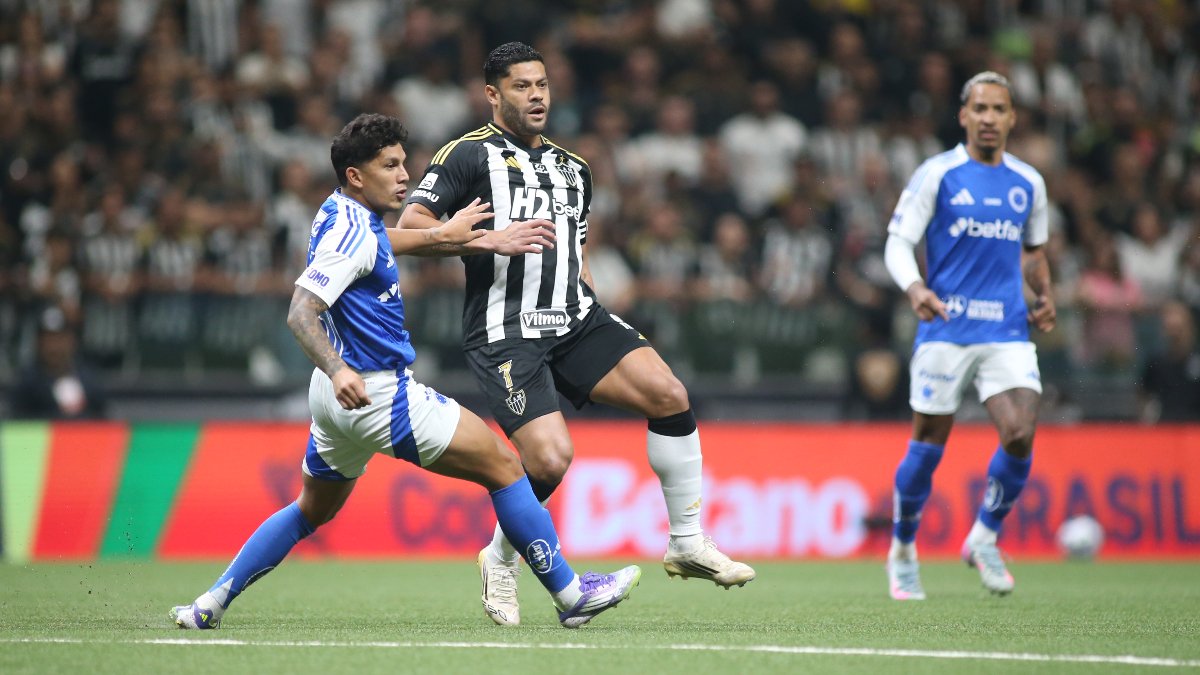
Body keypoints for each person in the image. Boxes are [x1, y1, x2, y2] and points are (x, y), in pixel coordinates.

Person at [169, 113, 640, 631]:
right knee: (507, 467)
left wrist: (463, 238)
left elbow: (384, 241)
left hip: (331, 399)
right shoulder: (352, 234)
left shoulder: (338, 210)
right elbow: (301, 312)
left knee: (309, 510)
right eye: (389, 166)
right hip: (373, 391)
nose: (404, 175)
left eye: (403, 163)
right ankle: (571, 594)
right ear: (356, 175)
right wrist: (339, 368)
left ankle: (209, 604)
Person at [399, 42, 754, 626]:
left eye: (541, 84)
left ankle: (687, 541)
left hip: (576, 319)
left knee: (669, 395)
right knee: (549, 460)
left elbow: (576, 247)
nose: (536, 95)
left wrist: (590, 296)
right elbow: (412, 226)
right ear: (492, 94)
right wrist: (485, 239)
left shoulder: (574, 168)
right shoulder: (466, 155)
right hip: (505, 332)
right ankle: (500, 557)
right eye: (521, 86)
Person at [882, 72, 1056, 600]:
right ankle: (903, 550)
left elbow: (1033, 250)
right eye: (979, 108)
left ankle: (983, 537)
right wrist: (915, 287)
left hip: (1006, 329)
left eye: (998, 109)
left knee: (1020, 432)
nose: (988, 118)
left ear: (1012, 118)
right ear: (963, 115)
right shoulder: (938, 174)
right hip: (947, 329)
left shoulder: (1028, 182)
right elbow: (897, 242)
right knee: (928, 444)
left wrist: (1044, 293)